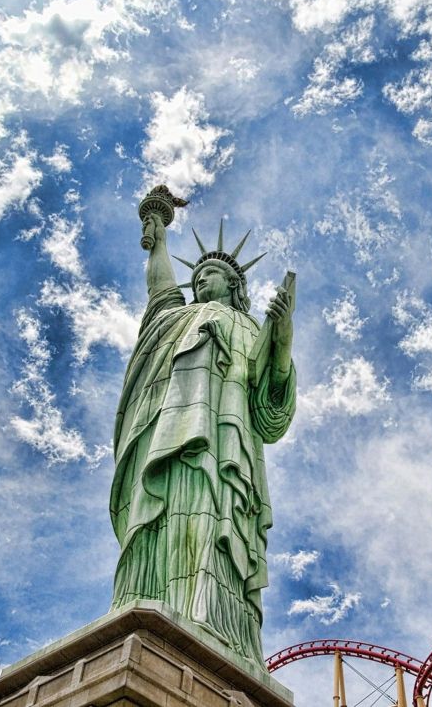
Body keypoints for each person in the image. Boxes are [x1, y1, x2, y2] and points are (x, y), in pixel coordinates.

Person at [109, 208, 296, 663]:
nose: (200, 282)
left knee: (213, 527)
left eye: (208, 275)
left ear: (233, 284)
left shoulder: (249, 327)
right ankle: (144, 603)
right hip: (165, 438)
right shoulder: (177, 316)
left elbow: (270, 412)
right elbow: (160, 289)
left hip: (224, 446)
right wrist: (158, 241)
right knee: (158, 523)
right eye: (196, 277)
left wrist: (282, 340)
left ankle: (213, 618)